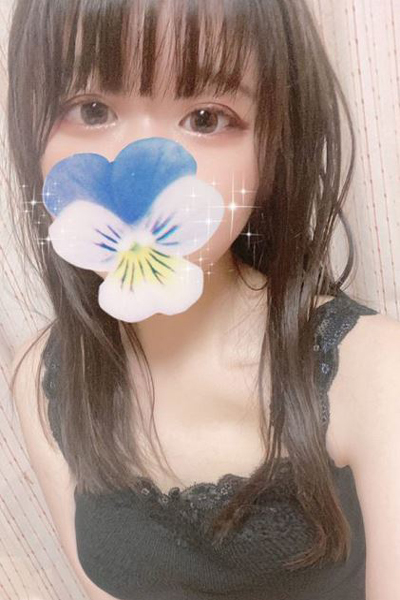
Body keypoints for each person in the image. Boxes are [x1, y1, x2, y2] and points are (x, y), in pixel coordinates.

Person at [7, 1, 400, 599]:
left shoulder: (373, 374)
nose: (143, 167)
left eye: (206, 118)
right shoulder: (40, 376)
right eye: (92, 109)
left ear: (272, 150)